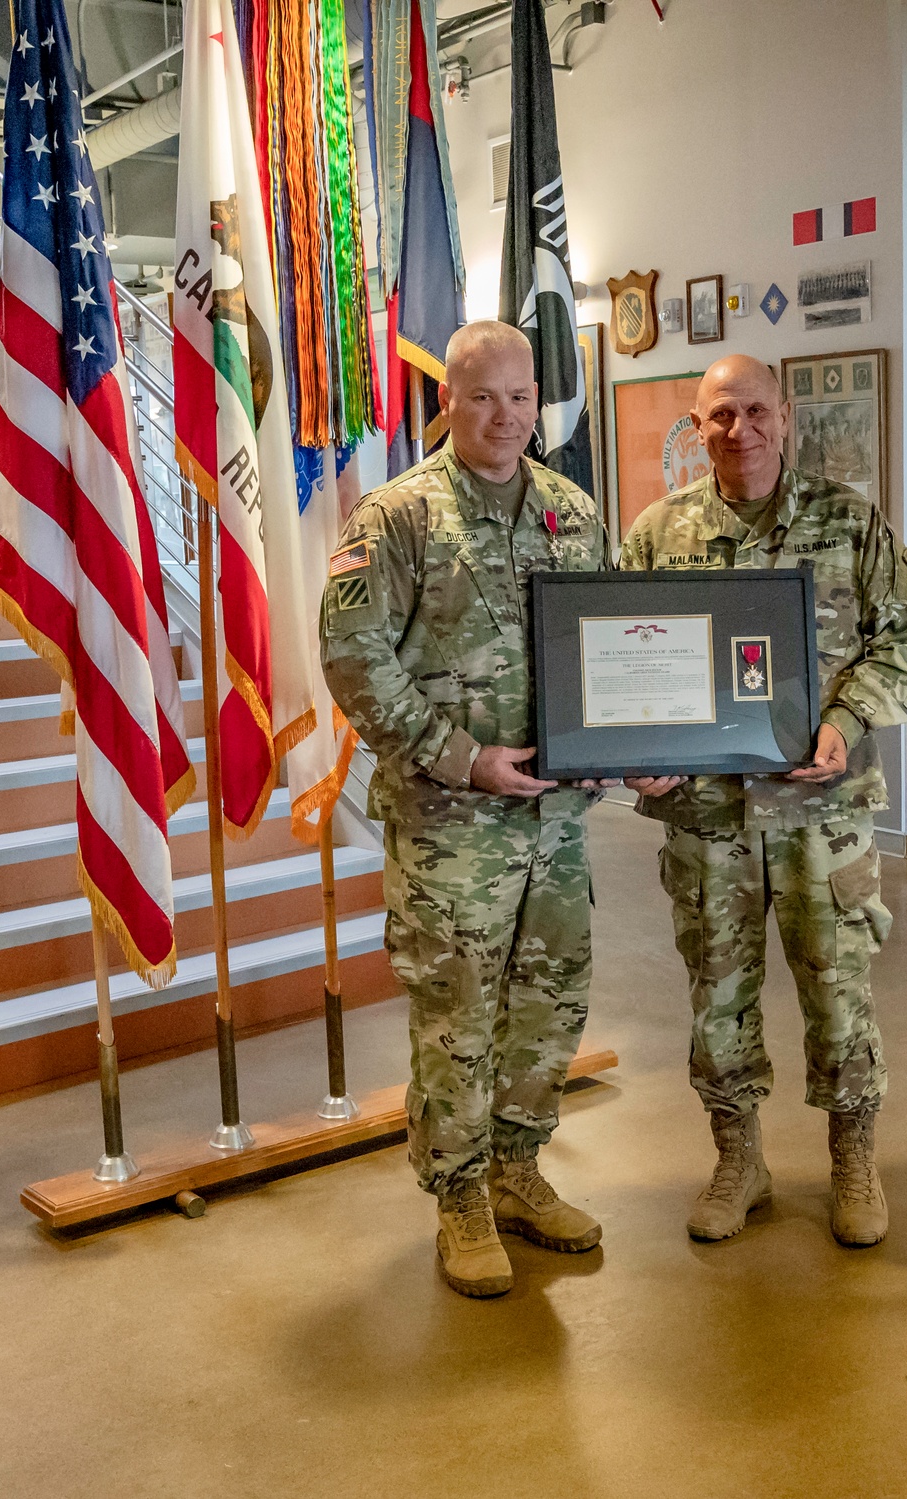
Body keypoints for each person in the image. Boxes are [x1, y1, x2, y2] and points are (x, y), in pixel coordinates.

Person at [321, 321, 610, 1298]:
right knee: (458, 1016)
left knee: (547, 1005)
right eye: (484, 395)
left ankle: (518, 1165)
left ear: (538, 398)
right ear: (449, 398)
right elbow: (353, 657)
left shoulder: (572, 510)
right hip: (451, 825)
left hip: (557, 825)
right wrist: (461, 758)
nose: (506, 416)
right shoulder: (396, 515)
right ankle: (457, 1192)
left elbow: (610, 646)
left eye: (521, 396)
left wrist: (635, 741)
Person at [620, 355, 907, 1248]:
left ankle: (854, 1159)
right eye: (720, 415)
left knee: (839, 994)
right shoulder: (656, 536)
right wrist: (639, 749)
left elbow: (906, 635)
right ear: (696, 422)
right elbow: (618, 661)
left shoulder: (848, 522)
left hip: (820, 813)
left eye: (756, 410)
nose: (740, 430)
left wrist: (846, 717)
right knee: (717, 995)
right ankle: (738, 1159)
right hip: (707, 821)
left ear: (786, 416)